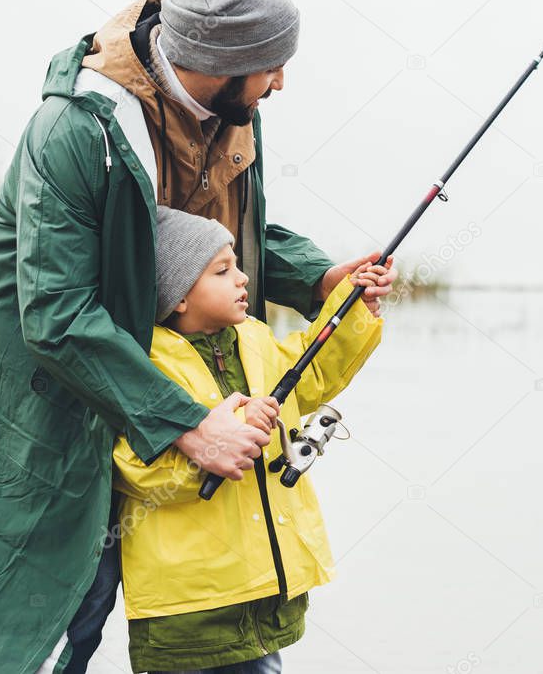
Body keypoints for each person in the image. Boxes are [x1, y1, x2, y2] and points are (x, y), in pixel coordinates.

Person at [0, 0, 398, 672]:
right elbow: (54, 311)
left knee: (214, 626)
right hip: (55, 409)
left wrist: (318, 279)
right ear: (220, 62)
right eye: (271, 65)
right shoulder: (74, 130)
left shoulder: (232, 111)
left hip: (175, 396)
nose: (281, 81)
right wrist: (190, 425)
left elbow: (219, 243)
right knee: (63, 622)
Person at [110, 206, 387, 673]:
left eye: (238, 264)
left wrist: (353, 309)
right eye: (223, 270)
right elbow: (135, 468)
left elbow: (311, 370)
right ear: (177, 296)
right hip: (187, 609)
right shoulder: (147, 365)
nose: (243, 279)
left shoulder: (254, 338)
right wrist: (215, 452)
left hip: (259, 595)